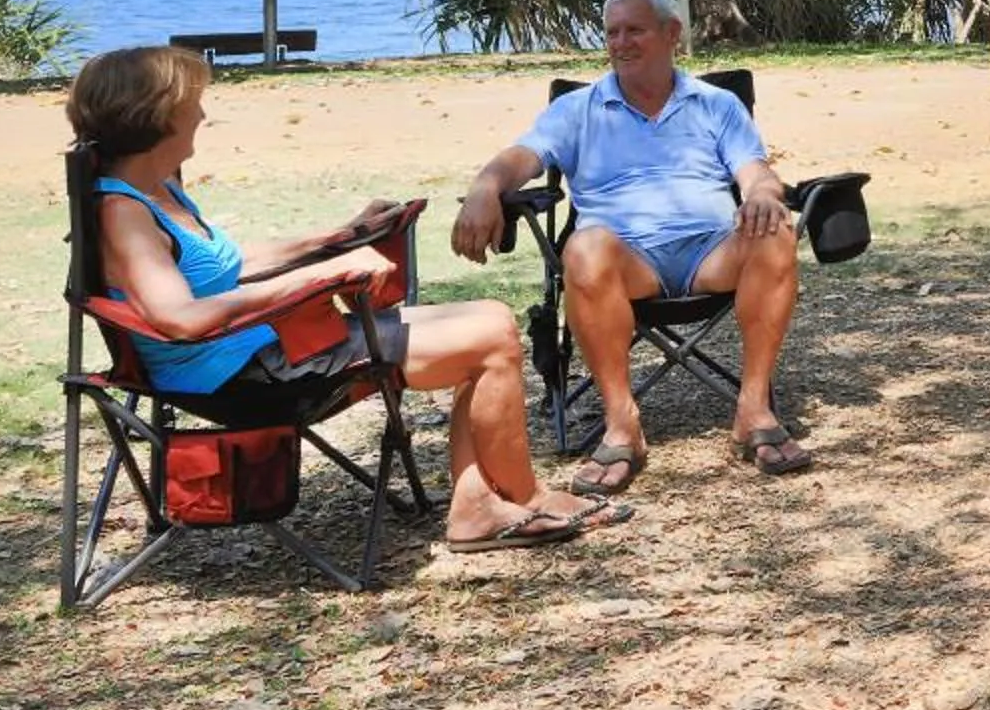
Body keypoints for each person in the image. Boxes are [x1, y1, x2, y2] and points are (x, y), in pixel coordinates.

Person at [68, 44, 627, 553]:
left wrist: (336, 238)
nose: (203, 114)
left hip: (259, 348)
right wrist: (323, 279)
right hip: (238, 378)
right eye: (194, 102)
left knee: (490, 319)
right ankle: (521, 499)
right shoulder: (126, 213)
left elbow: (227, 267)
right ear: (158, 115)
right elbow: (181, 318)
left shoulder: (157, 188)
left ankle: (479, 505)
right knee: (488, 340)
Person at [449, 0, 811, 489]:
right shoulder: (578, 110)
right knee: (584, 246)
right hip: (627, 262)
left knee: (774, 231)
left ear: (671, 33)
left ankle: (753, 408)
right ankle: (623, 423)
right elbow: (521, 158)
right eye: (612, 32)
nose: (620, 43)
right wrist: (485, 187)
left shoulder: (716, 104)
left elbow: (754, 170)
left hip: (711, 253)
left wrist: (763, 194)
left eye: (634, 30)